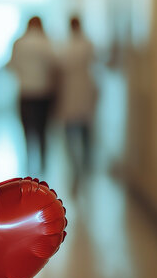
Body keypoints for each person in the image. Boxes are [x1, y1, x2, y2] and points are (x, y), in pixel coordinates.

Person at [8, 16, 58, 175]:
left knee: (26, 129)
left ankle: (28, 161)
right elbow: (54, 65)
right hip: (44, 92)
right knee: (43, 129)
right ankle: (44, 164)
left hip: (26, 92)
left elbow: (12, 65)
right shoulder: (47, 43)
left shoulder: (19, 43)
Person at [57, 16, 96, 192]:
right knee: (83, 128)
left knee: (73, 129)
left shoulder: (68, 46)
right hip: (82, 87)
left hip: (73, 89)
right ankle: (84, 165)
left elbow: (62, 64)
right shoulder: (86, 43)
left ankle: (80, 166)